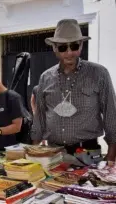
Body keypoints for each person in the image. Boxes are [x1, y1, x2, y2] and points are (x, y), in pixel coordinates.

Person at [32, 19, 116, 163]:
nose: (69, 53)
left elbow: (111, 115)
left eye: (75, 46)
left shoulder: (99, 74)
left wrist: (111, 156)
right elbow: (40, 118)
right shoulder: (45, 77)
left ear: (81, 45)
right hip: (54, 155)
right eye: (63, 48)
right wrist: (32, 152)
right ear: (54, 48)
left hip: (88, 154)